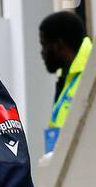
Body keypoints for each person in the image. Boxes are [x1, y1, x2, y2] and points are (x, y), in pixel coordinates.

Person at [38, 9, 92, 156]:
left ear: (58, 44)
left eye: (44, 45)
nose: (42, 53)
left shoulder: (90, 73)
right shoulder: (65, 79)